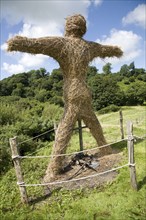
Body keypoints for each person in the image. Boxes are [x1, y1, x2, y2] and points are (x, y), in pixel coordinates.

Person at [7, 14, 123, 181]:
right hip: (84, 90)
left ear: (68, 27)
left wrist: (16, 43)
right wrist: (117, 50)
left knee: (64, 129)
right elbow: (109, 49)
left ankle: (52, 171)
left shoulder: (62, 44)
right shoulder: (89, 47)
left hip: (72, 92)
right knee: (93, 122)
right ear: (83, 29)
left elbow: (35, 44)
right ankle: (106, 151)